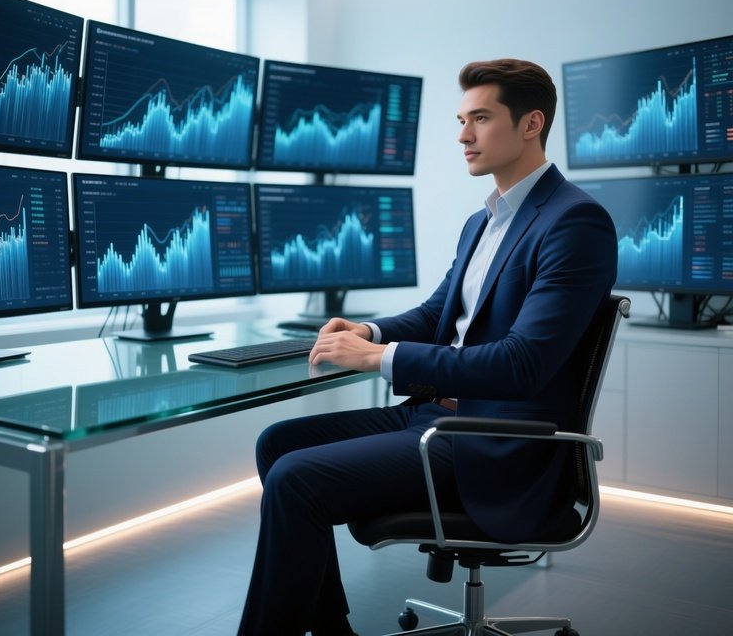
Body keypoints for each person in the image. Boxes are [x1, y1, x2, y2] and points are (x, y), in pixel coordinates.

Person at [237, 58, 618, 636]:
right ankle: (329, 627)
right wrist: (370, 332)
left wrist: (381, 360)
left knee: (296, 480)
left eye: (481, 118)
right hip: (435, 416)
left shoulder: (575, 221)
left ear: (531, 124)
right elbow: (441, 314)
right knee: (277, 444)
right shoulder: (483, 221)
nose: (463, 136)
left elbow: (523, 364)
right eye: (462, 120)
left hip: (493, 442)